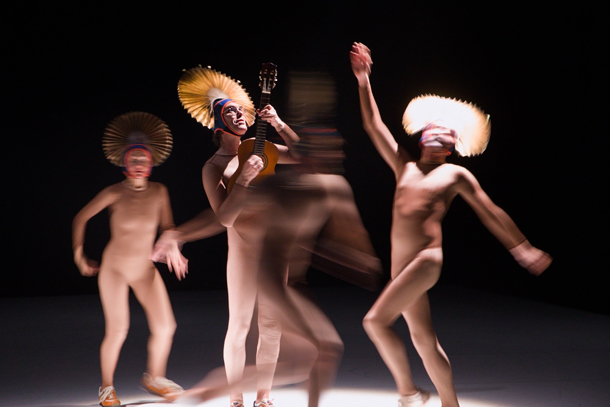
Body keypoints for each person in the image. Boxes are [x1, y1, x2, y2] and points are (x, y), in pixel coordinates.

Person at [349, 42, 552, 407]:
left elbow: (490, 211)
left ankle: (409, 393)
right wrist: (364, 80)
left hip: (426, 260)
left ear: (451, 147)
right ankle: (450, 403)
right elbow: (373, 125)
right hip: (401, 267)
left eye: (448, 131)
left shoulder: (455, 175)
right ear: (422, 137)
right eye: (435, 126)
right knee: (425, 341)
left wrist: (522, 248)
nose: (440, 130)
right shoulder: (403, 166)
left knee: (374, 322)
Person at [176, 66, 301, 407]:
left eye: (241, 110)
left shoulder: (260, 149)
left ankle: (264, 396)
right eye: (230, 111)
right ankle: (235, 398)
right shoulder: (213, 167)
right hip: (244, 252)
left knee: (271, 325)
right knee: (240, 326)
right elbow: (225, 218)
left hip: (274, 250)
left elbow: (306, 157)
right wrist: (243, 180)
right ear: (218, 124)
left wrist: (279, 123)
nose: (239, 114)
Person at [72, 112, 186, 406]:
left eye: (142, 158)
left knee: (166, 326)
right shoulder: (114, 193)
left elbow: (168, 226)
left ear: (151, 163)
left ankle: (155, 377)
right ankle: (106, 387)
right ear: (124, 163)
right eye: (133, 159)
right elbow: (81, 218)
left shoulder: (159, 191)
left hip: (144, 269)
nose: (138, 163)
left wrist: (173, 247)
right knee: (118, 330)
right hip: (115, 270)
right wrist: (79, 256)